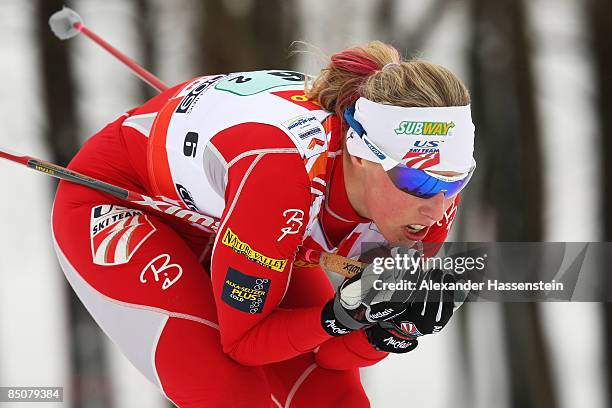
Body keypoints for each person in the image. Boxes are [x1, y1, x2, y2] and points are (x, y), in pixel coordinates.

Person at [51, 41, 475, 407]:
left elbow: (329, 360)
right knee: (230, 395)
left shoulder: (429, 208)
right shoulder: (283, 176)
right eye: (416, 180)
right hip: (123, 199)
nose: (437, 209)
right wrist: (339, 315)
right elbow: (246, 343)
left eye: (456, 180)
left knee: (334, 399)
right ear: (361, 152)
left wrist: (389, 332)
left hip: (240, 215)